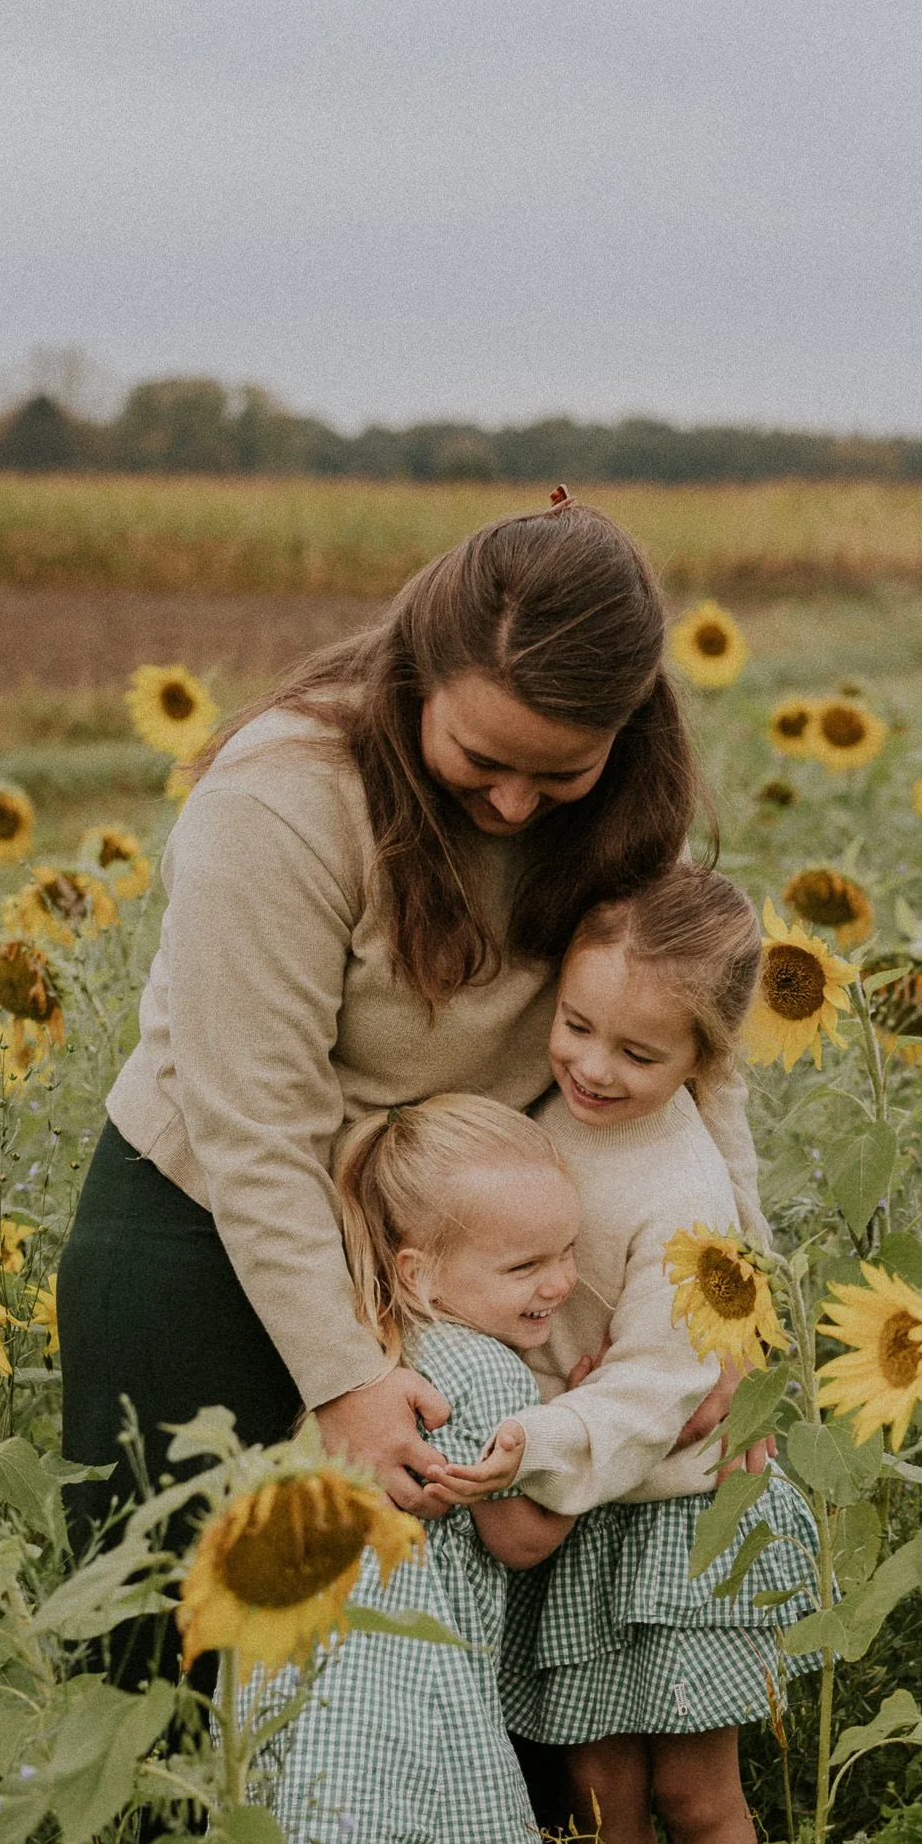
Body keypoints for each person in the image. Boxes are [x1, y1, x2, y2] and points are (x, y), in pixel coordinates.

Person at [55, 498, 765, 1538]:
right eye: (482, 760)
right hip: (207, 1234)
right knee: (160, 1639)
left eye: (560, 771)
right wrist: (343, 1377)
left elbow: (701, 1050)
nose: (518, 805)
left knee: (420, 1655)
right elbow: (255, 1124)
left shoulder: (624, 805)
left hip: (452, 1261)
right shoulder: (282, 799)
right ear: (417, 680)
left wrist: (736, 1317)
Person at [437, 868, 815, 1844]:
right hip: (584, 1507)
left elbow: (664, 1388)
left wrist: (541, 1432)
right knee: (598, 1789)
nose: (594, 1065)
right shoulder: (541, 1114)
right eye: (576, 1025)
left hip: (678, 1510)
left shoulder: (679, 1184)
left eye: (638, 1055)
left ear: (700, 1061)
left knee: (697, 1788)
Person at [254, 1096, 579, 1844]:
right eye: (527, 1261)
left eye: (567, 1250)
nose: (559, 1283)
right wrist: (586, 1448)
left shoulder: (350, 1367)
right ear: (421, 1272)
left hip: (292, 1675)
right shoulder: (482, 1375)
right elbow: (521, 1536)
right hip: (407, 1675)